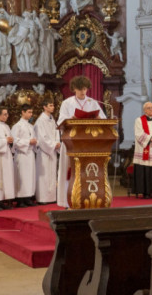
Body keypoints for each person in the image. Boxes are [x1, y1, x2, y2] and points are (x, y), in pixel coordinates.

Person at [56, 76, 106, 208]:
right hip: (71, 142)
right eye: (80, 89)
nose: (83, 92)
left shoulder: (92, 102)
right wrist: (70, 119)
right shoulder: (67, 103)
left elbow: (103, 119)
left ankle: (89, 198)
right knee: (69, 170)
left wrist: (99, 118)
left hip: (89, 143)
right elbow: (60, 123)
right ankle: (68, 201)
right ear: (74, 89)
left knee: (88, 171)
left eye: (85, 89)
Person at [34, 98, 60, 204]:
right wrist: (53, 145)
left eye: (53, 105)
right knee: (44, 175)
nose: (52, 107)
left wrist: (57, 143)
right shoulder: (40, 121)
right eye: (50, 105)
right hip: (44, 152)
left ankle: (52, 197)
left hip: (52, 150)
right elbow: (41, 137)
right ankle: (43, 198)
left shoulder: (52, 120)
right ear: (44, 107)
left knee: (52, 174)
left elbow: (56, 133)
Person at [12, 104, 37, 207]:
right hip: (21, 154)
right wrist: (28, 142)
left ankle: (28, 197)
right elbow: (14, 141)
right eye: (29, 112)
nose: (31, 114)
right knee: (22, 176)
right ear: (23, 112)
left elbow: (34, 139)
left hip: (30, 154)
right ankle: (20, 199)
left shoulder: (31, 126)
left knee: (29, 176)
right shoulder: (17, 126)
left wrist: (35, 142)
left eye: (31, 112)